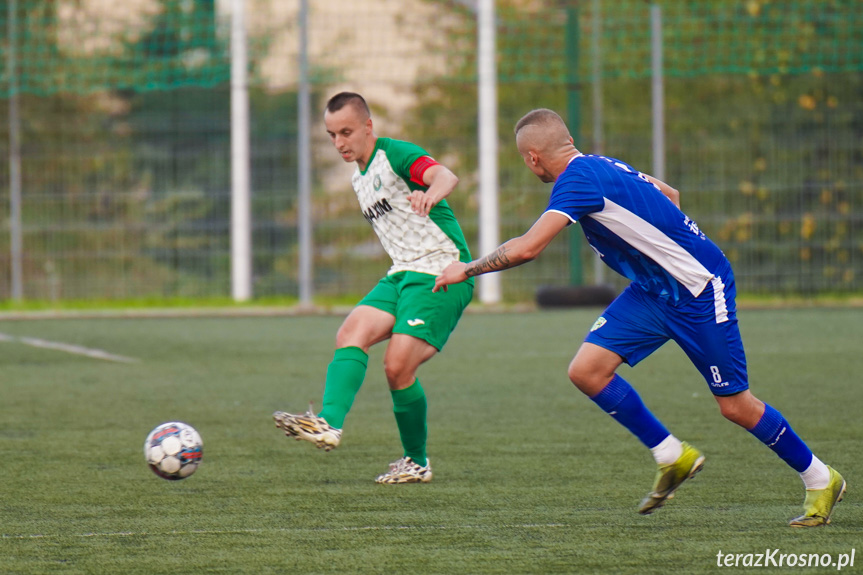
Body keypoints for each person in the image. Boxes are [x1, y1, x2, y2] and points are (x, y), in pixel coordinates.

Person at [433, 108, 845, 526]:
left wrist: (465, 269)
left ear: (533, 158)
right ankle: (672, 455)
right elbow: (671, 195)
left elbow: (526, 248)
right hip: (653, 291)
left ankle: (820, 478)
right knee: (587, 371)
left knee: (735, 405)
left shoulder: (577, 182)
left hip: (699, 289)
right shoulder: (603, 163)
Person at [273, 92, 473, 484]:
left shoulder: (395, 154)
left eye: (346, 132)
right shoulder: (357, 178)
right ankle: (328, 423)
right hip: (402, 273)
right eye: (332, 135)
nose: (339, 143)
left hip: (440, 270)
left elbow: (445, 175)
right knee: (350, 333)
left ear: (368, 126)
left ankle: (417, 461)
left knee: (397, 367)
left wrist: (429, 193)